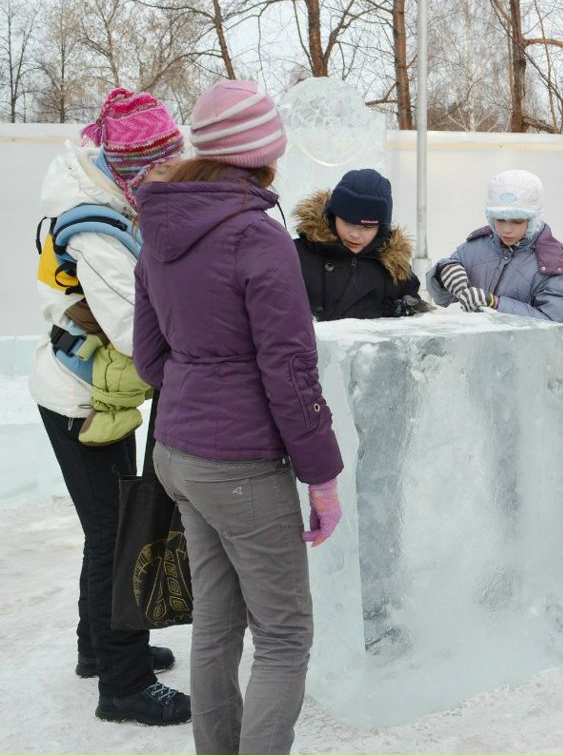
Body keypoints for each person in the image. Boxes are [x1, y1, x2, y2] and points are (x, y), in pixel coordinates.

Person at [133, 80, 344, 755]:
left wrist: (200, 402)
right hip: (239, 470)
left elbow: (149, 357)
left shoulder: (157, 223)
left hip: (178, 455)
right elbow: (291, 372)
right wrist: (322, 477)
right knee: (284, 637)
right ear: (263, 154)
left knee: (217, 626)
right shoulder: (256, 236)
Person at [30, 87, 189, 725]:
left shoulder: (115, 202)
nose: (170, 175)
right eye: (161, 166)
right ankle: (120, 686)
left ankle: (97, 649)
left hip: (100, 393)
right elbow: (134, 333)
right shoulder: (97, 227)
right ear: (131, 167)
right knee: (117, 534)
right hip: (80, 399)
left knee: (110, 528)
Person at [427, 169, 563, 324]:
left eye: (517, 221)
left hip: (523, 348)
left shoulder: (551, 263)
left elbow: (555, 325)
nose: (506, 229)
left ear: (532, 220)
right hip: (474, 346)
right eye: (500, 219)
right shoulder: (477, 247)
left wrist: (495, 304)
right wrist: (443, 272)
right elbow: (441, 298)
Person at [293, 168, 428, 321]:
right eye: (347, 222)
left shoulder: (395, 273)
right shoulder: (295, 256)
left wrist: (402, 312)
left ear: (381, 229)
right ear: (332, 216)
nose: (355, 234)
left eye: (367, 227)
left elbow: (419, 331)